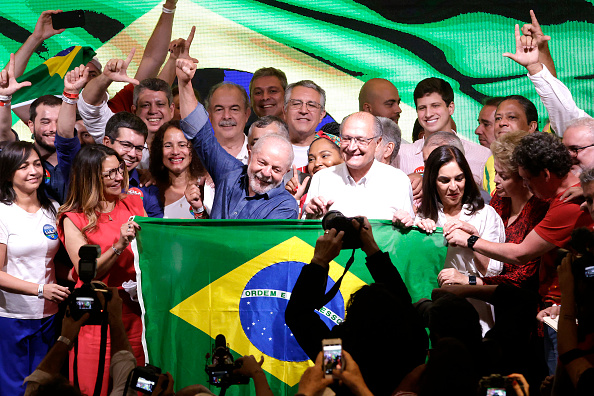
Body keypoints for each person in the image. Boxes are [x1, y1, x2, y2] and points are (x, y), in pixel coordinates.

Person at [444, 132, 594, 375]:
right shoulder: (504, 202)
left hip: (562, 313)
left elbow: (520, 255)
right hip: (550, 310)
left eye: (525, 178)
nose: (526, 185)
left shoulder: (561, 205)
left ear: (544, 174)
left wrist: (471, 242)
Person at [286, 217, 428, 396]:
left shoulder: (339, 364)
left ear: (351, 322)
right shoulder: (415, 342)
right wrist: (371, 247)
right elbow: (402, 302)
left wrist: (320, 261)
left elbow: (298, 314)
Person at [57, 145, 145, 395]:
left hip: (133, 313)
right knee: (92, 387)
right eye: (110, 173)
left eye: (120, 169)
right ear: (90, 177)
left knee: (133, 386)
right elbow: (87, 272)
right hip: (94, 315)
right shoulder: (73, 217)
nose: (119, 177)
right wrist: (119, 245)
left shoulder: (133, 203)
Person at [394, 146, 505, 333]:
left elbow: (493, 271)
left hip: (477, 313)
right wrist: (412, 231)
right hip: (435, 312)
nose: (453, 187)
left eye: (459, 178)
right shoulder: (422, 218)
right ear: (432, 182)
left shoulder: (485, 214)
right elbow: (411, 269)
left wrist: (473, 240)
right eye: (444, 180)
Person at [176, 58, 298, 219]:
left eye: (276, 169)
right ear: (251, 153)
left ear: (286, 171)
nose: (266, 172)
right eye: (262, 162)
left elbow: (258, 243)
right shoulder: (230, 173)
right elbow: (200, 133)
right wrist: (185, 84)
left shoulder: (286, 206)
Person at [0, 142, 71, 396]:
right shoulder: (2, 212)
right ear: (9, 173)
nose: (33, 171)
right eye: (23, 166)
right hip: (10, 319)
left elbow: (48, 260)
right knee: (14, 390)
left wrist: (71, 275)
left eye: (37, 164)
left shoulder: (52, 208)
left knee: (44, 387)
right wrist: (40, 290)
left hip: (48, 319)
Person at [440, 131, 549, 289]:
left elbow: (523, 277)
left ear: (524, 177)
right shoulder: (500, 199)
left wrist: (469, 280)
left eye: (503, 176)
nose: (495, 180)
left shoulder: (540, 209)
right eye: (495, 172)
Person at [23, 288, 137, 396]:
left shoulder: (35, 391)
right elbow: (126, 380)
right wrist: (115, 318)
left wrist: (65, 338)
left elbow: (36, 384)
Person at [303, 112, 414, 220]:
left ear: (378, 143)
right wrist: (311, 218)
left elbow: (407, 231)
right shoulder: (322, 178)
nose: (351, 147)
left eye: (361, 140)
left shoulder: (398, 180)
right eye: (346, 139)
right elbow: (306, 232)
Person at [396, 78, 491, 202]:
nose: (428, 113)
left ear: (450, 108)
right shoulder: (401, 154)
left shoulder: (482, 155)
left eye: (435, 106)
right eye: (422, 108)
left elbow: (490, 201)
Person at [149, 120, 206, 218]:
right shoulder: (152, 191)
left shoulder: (207, 186)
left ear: (193, 149)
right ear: (159, 151)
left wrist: (199, 209)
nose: (175, 151)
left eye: (182, 145)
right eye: (168, 146)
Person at [285, 136, 344, 215]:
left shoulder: (356, 187)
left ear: (343, 156)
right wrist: (296, 200)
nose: (316, 163)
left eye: (324, 156)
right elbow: (298, 226)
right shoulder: (306, 198)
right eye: (311, 159)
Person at [283, 80, 327, 169]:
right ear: (284, 111)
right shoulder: (269, 145)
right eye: (296, 104)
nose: (303, 111)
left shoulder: (337, 149)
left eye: (311, 105)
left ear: (321, 115)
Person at [205, 82, 251, 164]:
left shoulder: (261, 154)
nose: (226, 116)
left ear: (246, 114)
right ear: (209, 115)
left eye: (234, 109)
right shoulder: (197, 156)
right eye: (219, 109)